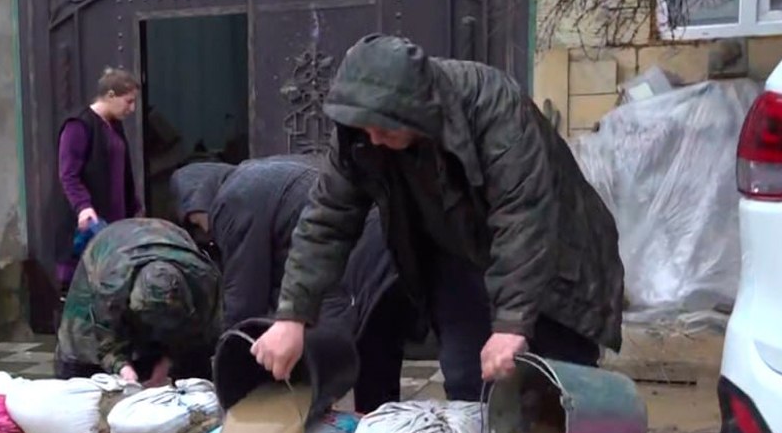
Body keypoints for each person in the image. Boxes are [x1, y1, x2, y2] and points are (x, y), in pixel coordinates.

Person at [250, 34, 625, 401]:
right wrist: (292, 317)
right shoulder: (359, 131)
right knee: (468, 381)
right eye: (367, 129)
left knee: (559, 386)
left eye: (386, 127)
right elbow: (326, 220)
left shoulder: (494, 106)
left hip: (556, 257)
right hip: (459, 257)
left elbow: (522, 216)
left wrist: (511, 323)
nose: (374, 139)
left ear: (417, 108)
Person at [172, 155, 418, 412]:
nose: (204, 231)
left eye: (195, 221)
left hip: (359, 249)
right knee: (379, 349)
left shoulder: (231, 200)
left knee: (346, 346)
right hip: (393, 240)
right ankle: (381, 428)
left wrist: (230, 364)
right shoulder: (258, 177)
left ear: (198, 199)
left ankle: (335, 415)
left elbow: (244, 297)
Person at [55, 218, 221, 388]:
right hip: (110, 248)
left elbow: (203, 334)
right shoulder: (111, 285)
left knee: (194, 366)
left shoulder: (204, 280)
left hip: (167, 239)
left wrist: (168, 362)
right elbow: (105, 338)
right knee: (81, 348)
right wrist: (123, 368)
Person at [53, 67, 144, 290]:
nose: (132, 109)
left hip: (113, 225)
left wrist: (134, 207)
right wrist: (83, 207)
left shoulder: (114, 126)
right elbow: (68, 174)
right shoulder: (79, 125)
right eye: (128, 101)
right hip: (88, 225)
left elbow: (121, 172)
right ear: (111, 95)